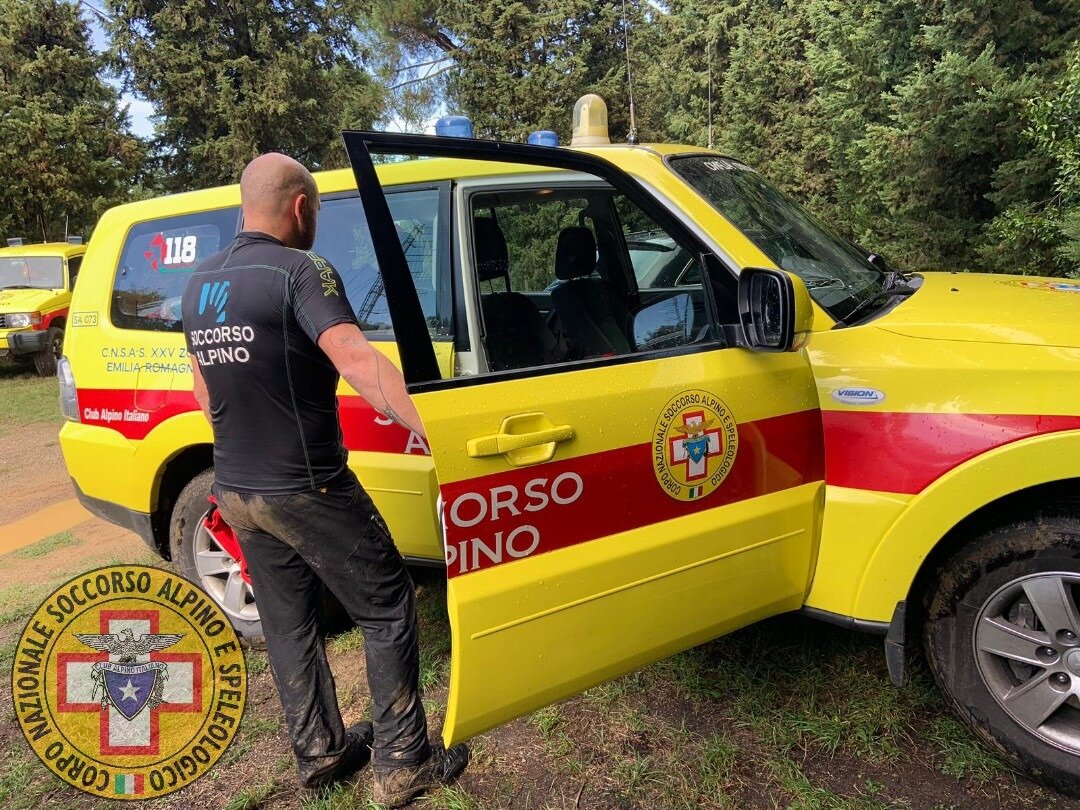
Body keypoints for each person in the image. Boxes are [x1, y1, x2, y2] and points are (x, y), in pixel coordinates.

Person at [180, 152, 468, 806]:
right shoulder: (301, 270)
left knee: (289, 623)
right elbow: (357, 357)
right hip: (308, 483)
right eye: (316, 210)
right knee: (388, 603)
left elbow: (201, 385)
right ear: (301, 207)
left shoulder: (200, 283)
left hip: (238, 487)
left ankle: (320, 752)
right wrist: (433, 425)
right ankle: (403, 765)